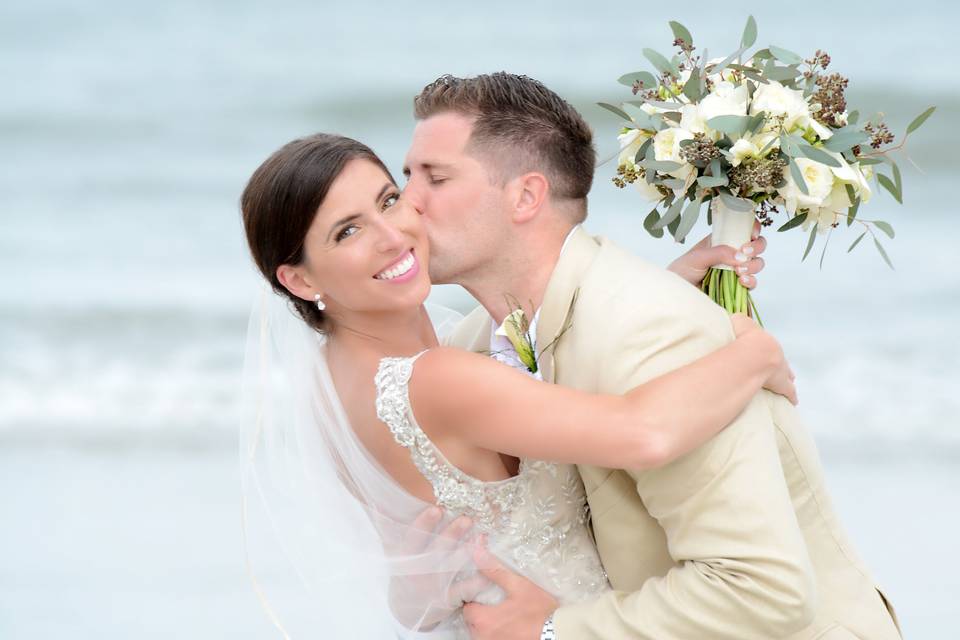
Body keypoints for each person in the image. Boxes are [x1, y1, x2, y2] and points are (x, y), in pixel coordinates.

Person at [406, 72, 901, 640]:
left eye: (435, 178)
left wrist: (550, 630)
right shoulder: (468, 349)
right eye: (406, 178)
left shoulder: (653, 332)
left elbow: (763, 588)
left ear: (525, 196)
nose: (407, 204)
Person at [239, 133, 796, 638]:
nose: (392, 235)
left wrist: (662, 296)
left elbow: (415, 584)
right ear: (299, 278)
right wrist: (753, 352)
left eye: (388, 200)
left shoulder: (331, 390)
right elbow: (642, 431)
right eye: (349, 231)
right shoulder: (437, 379)